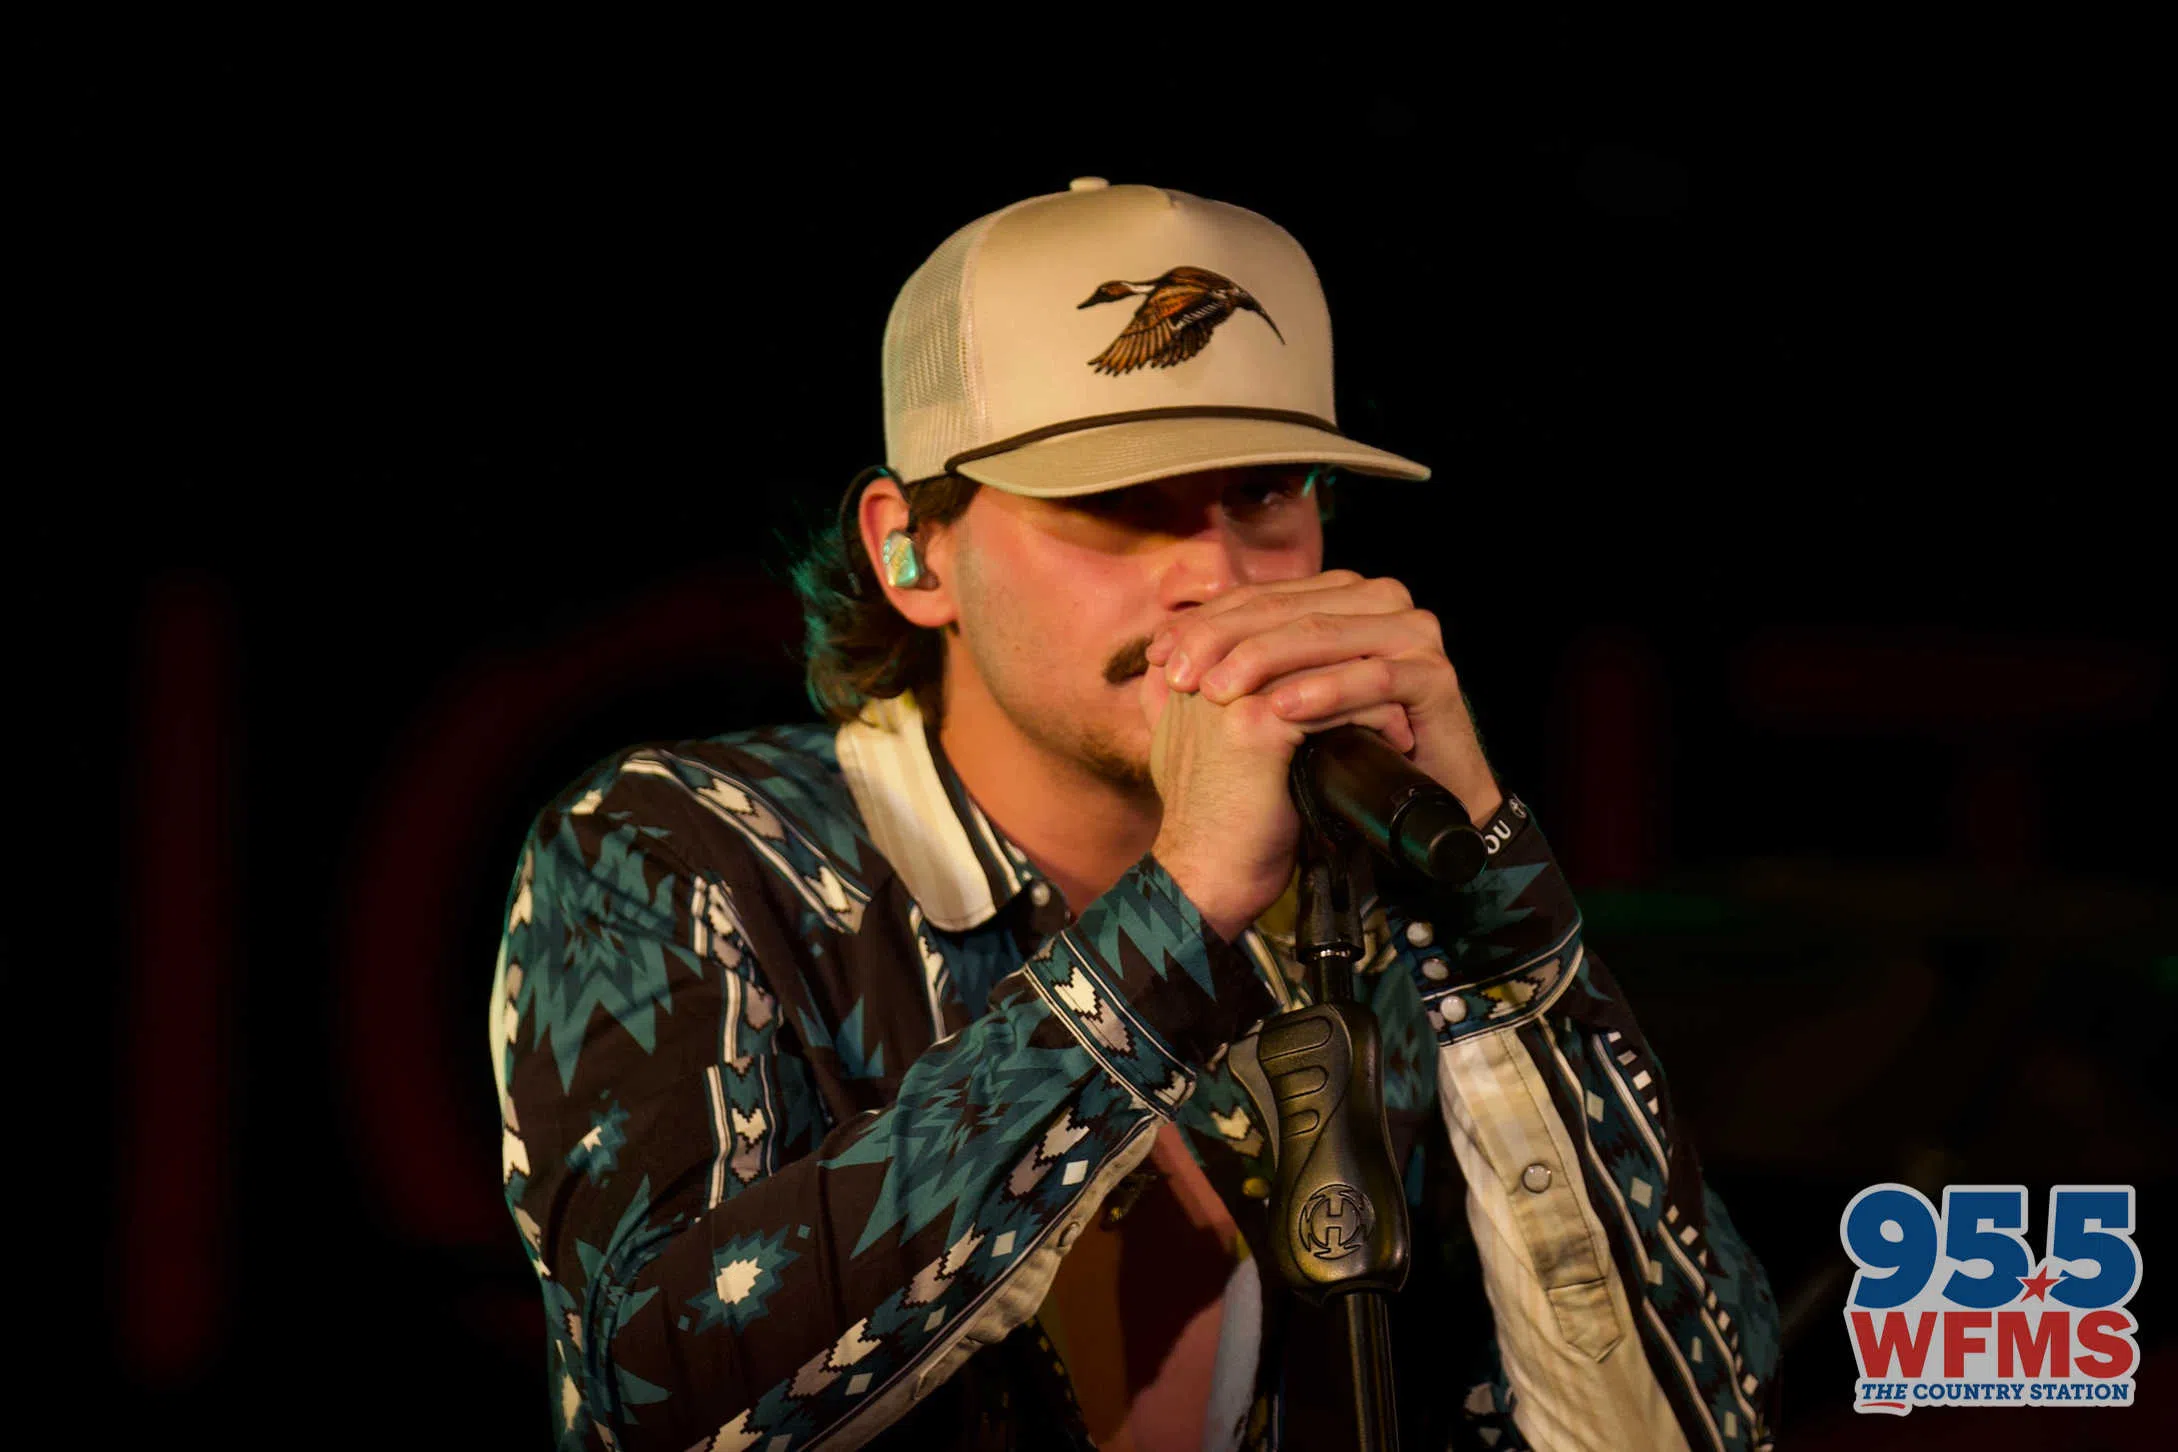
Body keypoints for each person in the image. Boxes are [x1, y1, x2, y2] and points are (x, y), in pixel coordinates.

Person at [488, 178, 1782, 1451]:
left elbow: (1696, 1426)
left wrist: (1492, 886)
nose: (1213, 572)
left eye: (1263, 492)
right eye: (1113, 501)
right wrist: (1179, 914)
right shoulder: (676, 845)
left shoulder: (1379, 887)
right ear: (911, 550)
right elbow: (662, 1404)